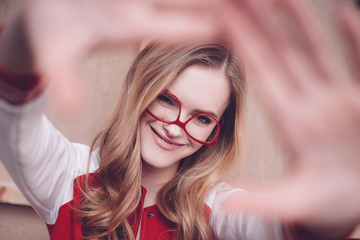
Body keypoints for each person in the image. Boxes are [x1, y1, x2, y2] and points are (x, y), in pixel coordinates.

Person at [0, 0, 359, 239]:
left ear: (218, 133)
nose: (175, 127)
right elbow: (12, 116)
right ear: (142, 92)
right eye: (166, 99)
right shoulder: (67, 175)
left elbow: (281, 229)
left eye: (201, 119)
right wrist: (23, 37)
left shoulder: (219, 211)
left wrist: (336, 212)